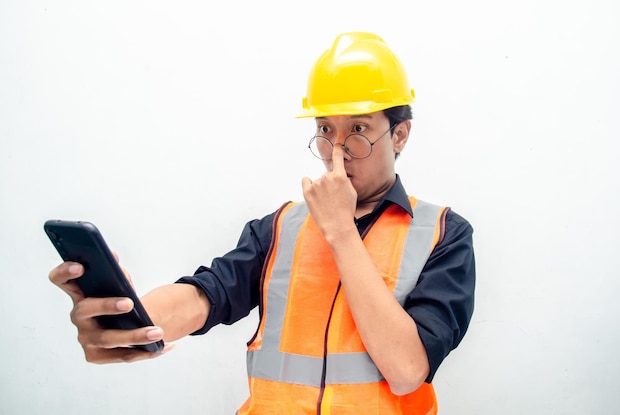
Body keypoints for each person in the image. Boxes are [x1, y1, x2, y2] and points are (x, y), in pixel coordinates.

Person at [49, 32, 475, 414]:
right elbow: (207, 294)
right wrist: (130, 317)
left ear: (400, 134)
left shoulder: (442, 234)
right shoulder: (281, 227)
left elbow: (406, 371)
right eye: (325, 129)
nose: (336, 152)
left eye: (359, 129)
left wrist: (341, 232)